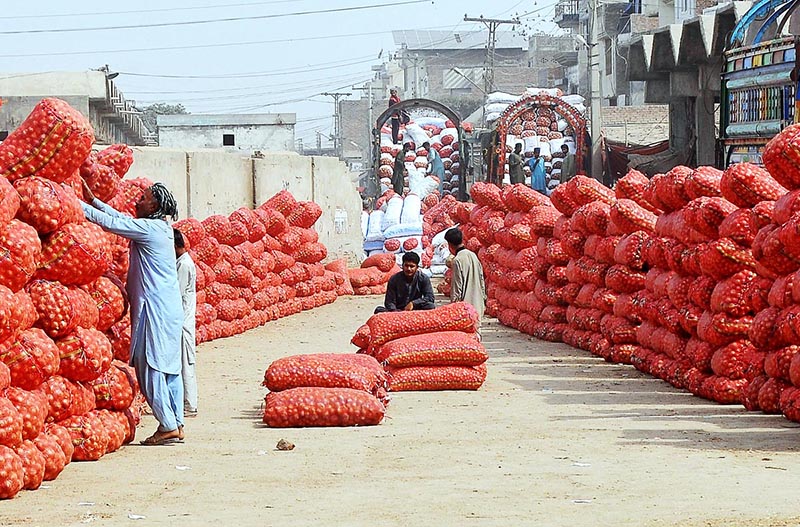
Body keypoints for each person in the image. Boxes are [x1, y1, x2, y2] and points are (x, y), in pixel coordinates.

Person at [80, 180, 185, 446]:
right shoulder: (160, 229)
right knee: (169, 367)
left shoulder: (150, 230)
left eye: (144, 198)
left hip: (154, 309)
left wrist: (72, 202)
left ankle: (167, 424)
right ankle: (176, 421)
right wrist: (94, 201)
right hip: (167, 309)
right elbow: (120, 218)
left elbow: (113, 224)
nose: (138, 201)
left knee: (148, 365)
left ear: (155, 206)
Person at [174, 229, 198, 418]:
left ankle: (190, 404)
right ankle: (186, 402)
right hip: (184, 320)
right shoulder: (183, 262)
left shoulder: (184, 265)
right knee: (183, 363)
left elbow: (177, 293)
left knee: (185, 364)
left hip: (183, 323)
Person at [444, 227, 486, 330]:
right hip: (478, 304)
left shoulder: (457, 260)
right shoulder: (473, 255)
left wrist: (453, 307)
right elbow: (481, 280)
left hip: (465, 308)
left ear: (450, 245)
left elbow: (457, 287)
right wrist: (483, 300)